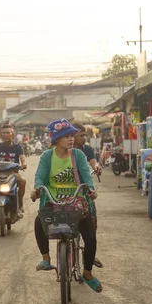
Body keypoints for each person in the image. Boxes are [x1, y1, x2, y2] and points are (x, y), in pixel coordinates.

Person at [30, 119, 102, 293]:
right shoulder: (47, 156)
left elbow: (86, 175)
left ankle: (87, 272)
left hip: (76, 203)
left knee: (90, 236)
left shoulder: (78, 155)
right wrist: (38, 189)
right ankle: (46, 259)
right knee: (39, 221)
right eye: (66, 136)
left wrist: (90, 189)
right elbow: (40, 176)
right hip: (53, 203)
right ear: (56, 139)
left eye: (72, 135)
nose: (71, 139)